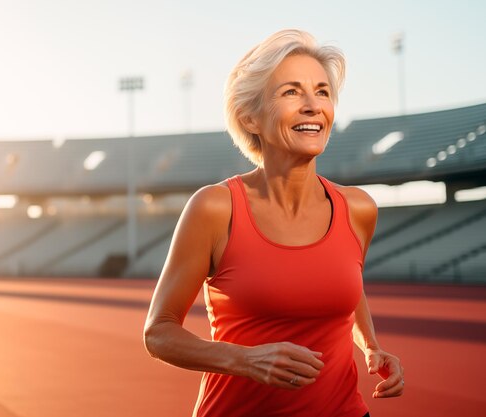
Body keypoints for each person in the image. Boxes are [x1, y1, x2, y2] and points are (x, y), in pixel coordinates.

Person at [143, 29, 404, 417]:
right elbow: (158, 332)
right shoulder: (215, 208)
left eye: (322, 91)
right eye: (291, 92)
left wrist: (370, 345)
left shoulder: (358, 209)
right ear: (250, 116)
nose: (313, 105)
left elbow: (344, 282)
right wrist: (244, 360)